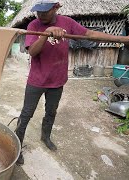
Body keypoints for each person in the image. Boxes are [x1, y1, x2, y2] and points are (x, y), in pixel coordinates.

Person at [15, 0, 129, 165]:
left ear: (56, 7)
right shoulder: (34, 25)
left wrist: (123, 39)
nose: (40, 15)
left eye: (45, 11)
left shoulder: (67, 23)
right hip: (37, 81)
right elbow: (32, 52)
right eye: (38, 11)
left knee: (51, 112)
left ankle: (45, 137)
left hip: (57, 80)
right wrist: (46, 34)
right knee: (26, 115)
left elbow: (90, 35)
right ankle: (17, 146)